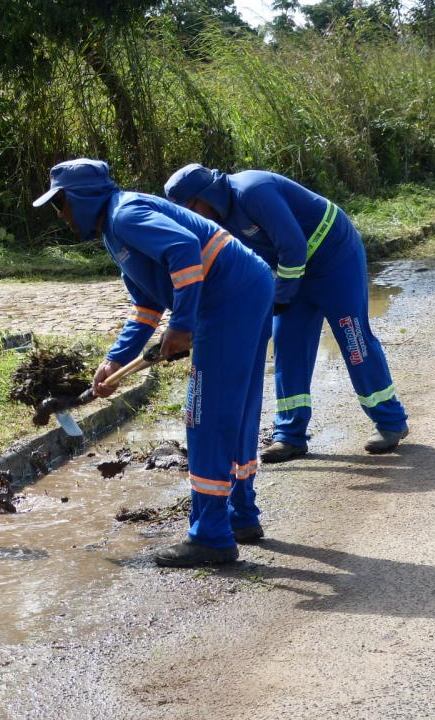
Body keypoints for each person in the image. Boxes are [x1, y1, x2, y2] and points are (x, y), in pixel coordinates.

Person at [34, 158, 273, 567]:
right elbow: (146, 305)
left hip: (227, 300)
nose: (60, 215)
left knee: (205, 414)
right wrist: (114, 361)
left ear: (81, 197)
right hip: (247, 288)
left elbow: (184, 251)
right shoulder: (115, 227)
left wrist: (181, 325)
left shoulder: (125, 214)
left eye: (62, 204)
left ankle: (212, 537)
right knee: (234, 408)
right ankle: (240, 517)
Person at [164, 165, 409, 462]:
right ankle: (290, 436)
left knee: (353, 337)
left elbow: (293, 245)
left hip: (334, 258)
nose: (193, 220)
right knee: (287, 347)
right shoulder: (214, 222)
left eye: (192, 210)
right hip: (291, 273)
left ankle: (390, 422)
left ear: (205, 197)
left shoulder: (252, 191)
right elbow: (227, 273)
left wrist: (279, 298)